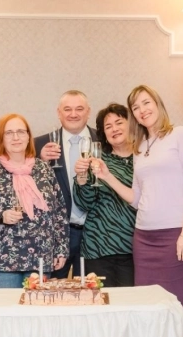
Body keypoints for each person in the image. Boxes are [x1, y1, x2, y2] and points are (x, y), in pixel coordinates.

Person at [93, 85, 183, 312]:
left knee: (175, 306)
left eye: (146, 102)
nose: (142, 110)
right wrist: (107, 176)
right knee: (146, 308)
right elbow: (136, 198)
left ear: (157, 103)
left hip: (175, 235)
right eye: (135, 107)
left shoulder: (179, 135)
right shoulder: (139, 147)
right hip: (143, 238)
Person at [0, 113, 69, 287]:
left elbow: (59, 211)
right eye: (9, 133)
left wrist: (61, 248)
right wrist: (1, 216)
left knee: (35, 306)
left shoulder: (44, 169)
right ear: (1, 138)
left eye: (21, 132)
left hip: (40, 258)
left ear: (28, 137)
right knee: (5, 306)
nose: (16, 137)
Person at [34, 90, 98, 278]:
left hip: (96, 233)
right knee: (53, 290)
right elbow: (24, 184)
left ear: (88, 112)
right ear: (58, 112)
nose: (73, 114)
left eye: (79, 109)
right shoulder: (39, 144)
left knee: (90, 289)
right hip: (57, 233)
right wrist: (40, 161)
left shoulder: (104, 140)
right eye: (67, 109)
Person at [73, 103, 136, 286]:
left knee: (130, 301)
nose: (114, 129)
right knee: (100, 300)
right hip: (98, 246)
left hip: (134, 247)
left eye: (119, 123)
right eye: (108, 126)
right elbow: (84, 203)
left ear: (131, 125)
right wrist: (82, 178)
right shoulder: (97, 160)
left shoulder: (144, 159)